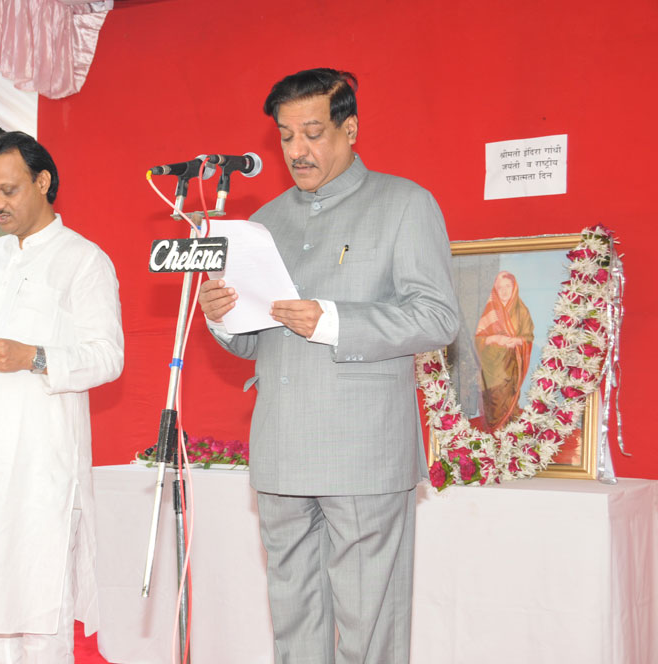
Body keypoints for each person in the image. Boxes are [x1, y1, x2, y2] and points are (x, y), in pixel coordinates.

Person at [198, 68, 460, 664]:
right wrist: (222, 317)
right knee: (293, 626)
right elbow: (254, 342)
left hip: (363, 452)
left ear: (351, 128)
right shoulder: (263, 221)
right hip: (282, 450)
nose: (298, 151)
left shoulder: (404, 204)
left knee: (370, 630)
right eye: (286, 136)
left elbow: (439, 318)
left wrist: (333, 321)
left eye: (313, 133)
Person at [0, 131, 124, 663]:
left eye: (8, 191)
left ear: (43, 181)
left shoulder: (84, 260)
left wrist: (32, 356)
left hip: (40, 462)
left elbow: (107, 357)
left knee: (37, 607)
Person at [474, 271, 534, 431]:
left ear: (514, 287)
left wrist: (516, 341)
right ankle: (493, 437)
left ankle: (510, 440)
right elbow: (477, 339)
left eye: (508, 286)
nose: (505, 291)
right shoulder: (489, 311)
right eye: (500, 287)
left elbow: (528, 337)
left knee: (510, 401)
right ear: (494, 290)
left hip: (511, 367)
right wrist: (493, 339)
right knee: (494, 401)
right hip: (491, 369)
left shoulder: (521, 311)